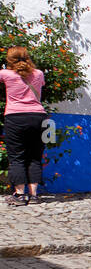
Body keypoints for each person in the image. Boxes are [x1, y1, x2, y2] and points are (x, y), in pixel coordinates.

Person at [2, 46, 47, 205]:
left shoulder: (5, 74)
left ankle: (20, 195)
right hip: (39, 117)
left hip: (15, 117)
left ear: (9, 60)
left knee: (16, 157)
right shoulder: (39, 73)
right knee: (35, 157)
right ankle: (34, 195)